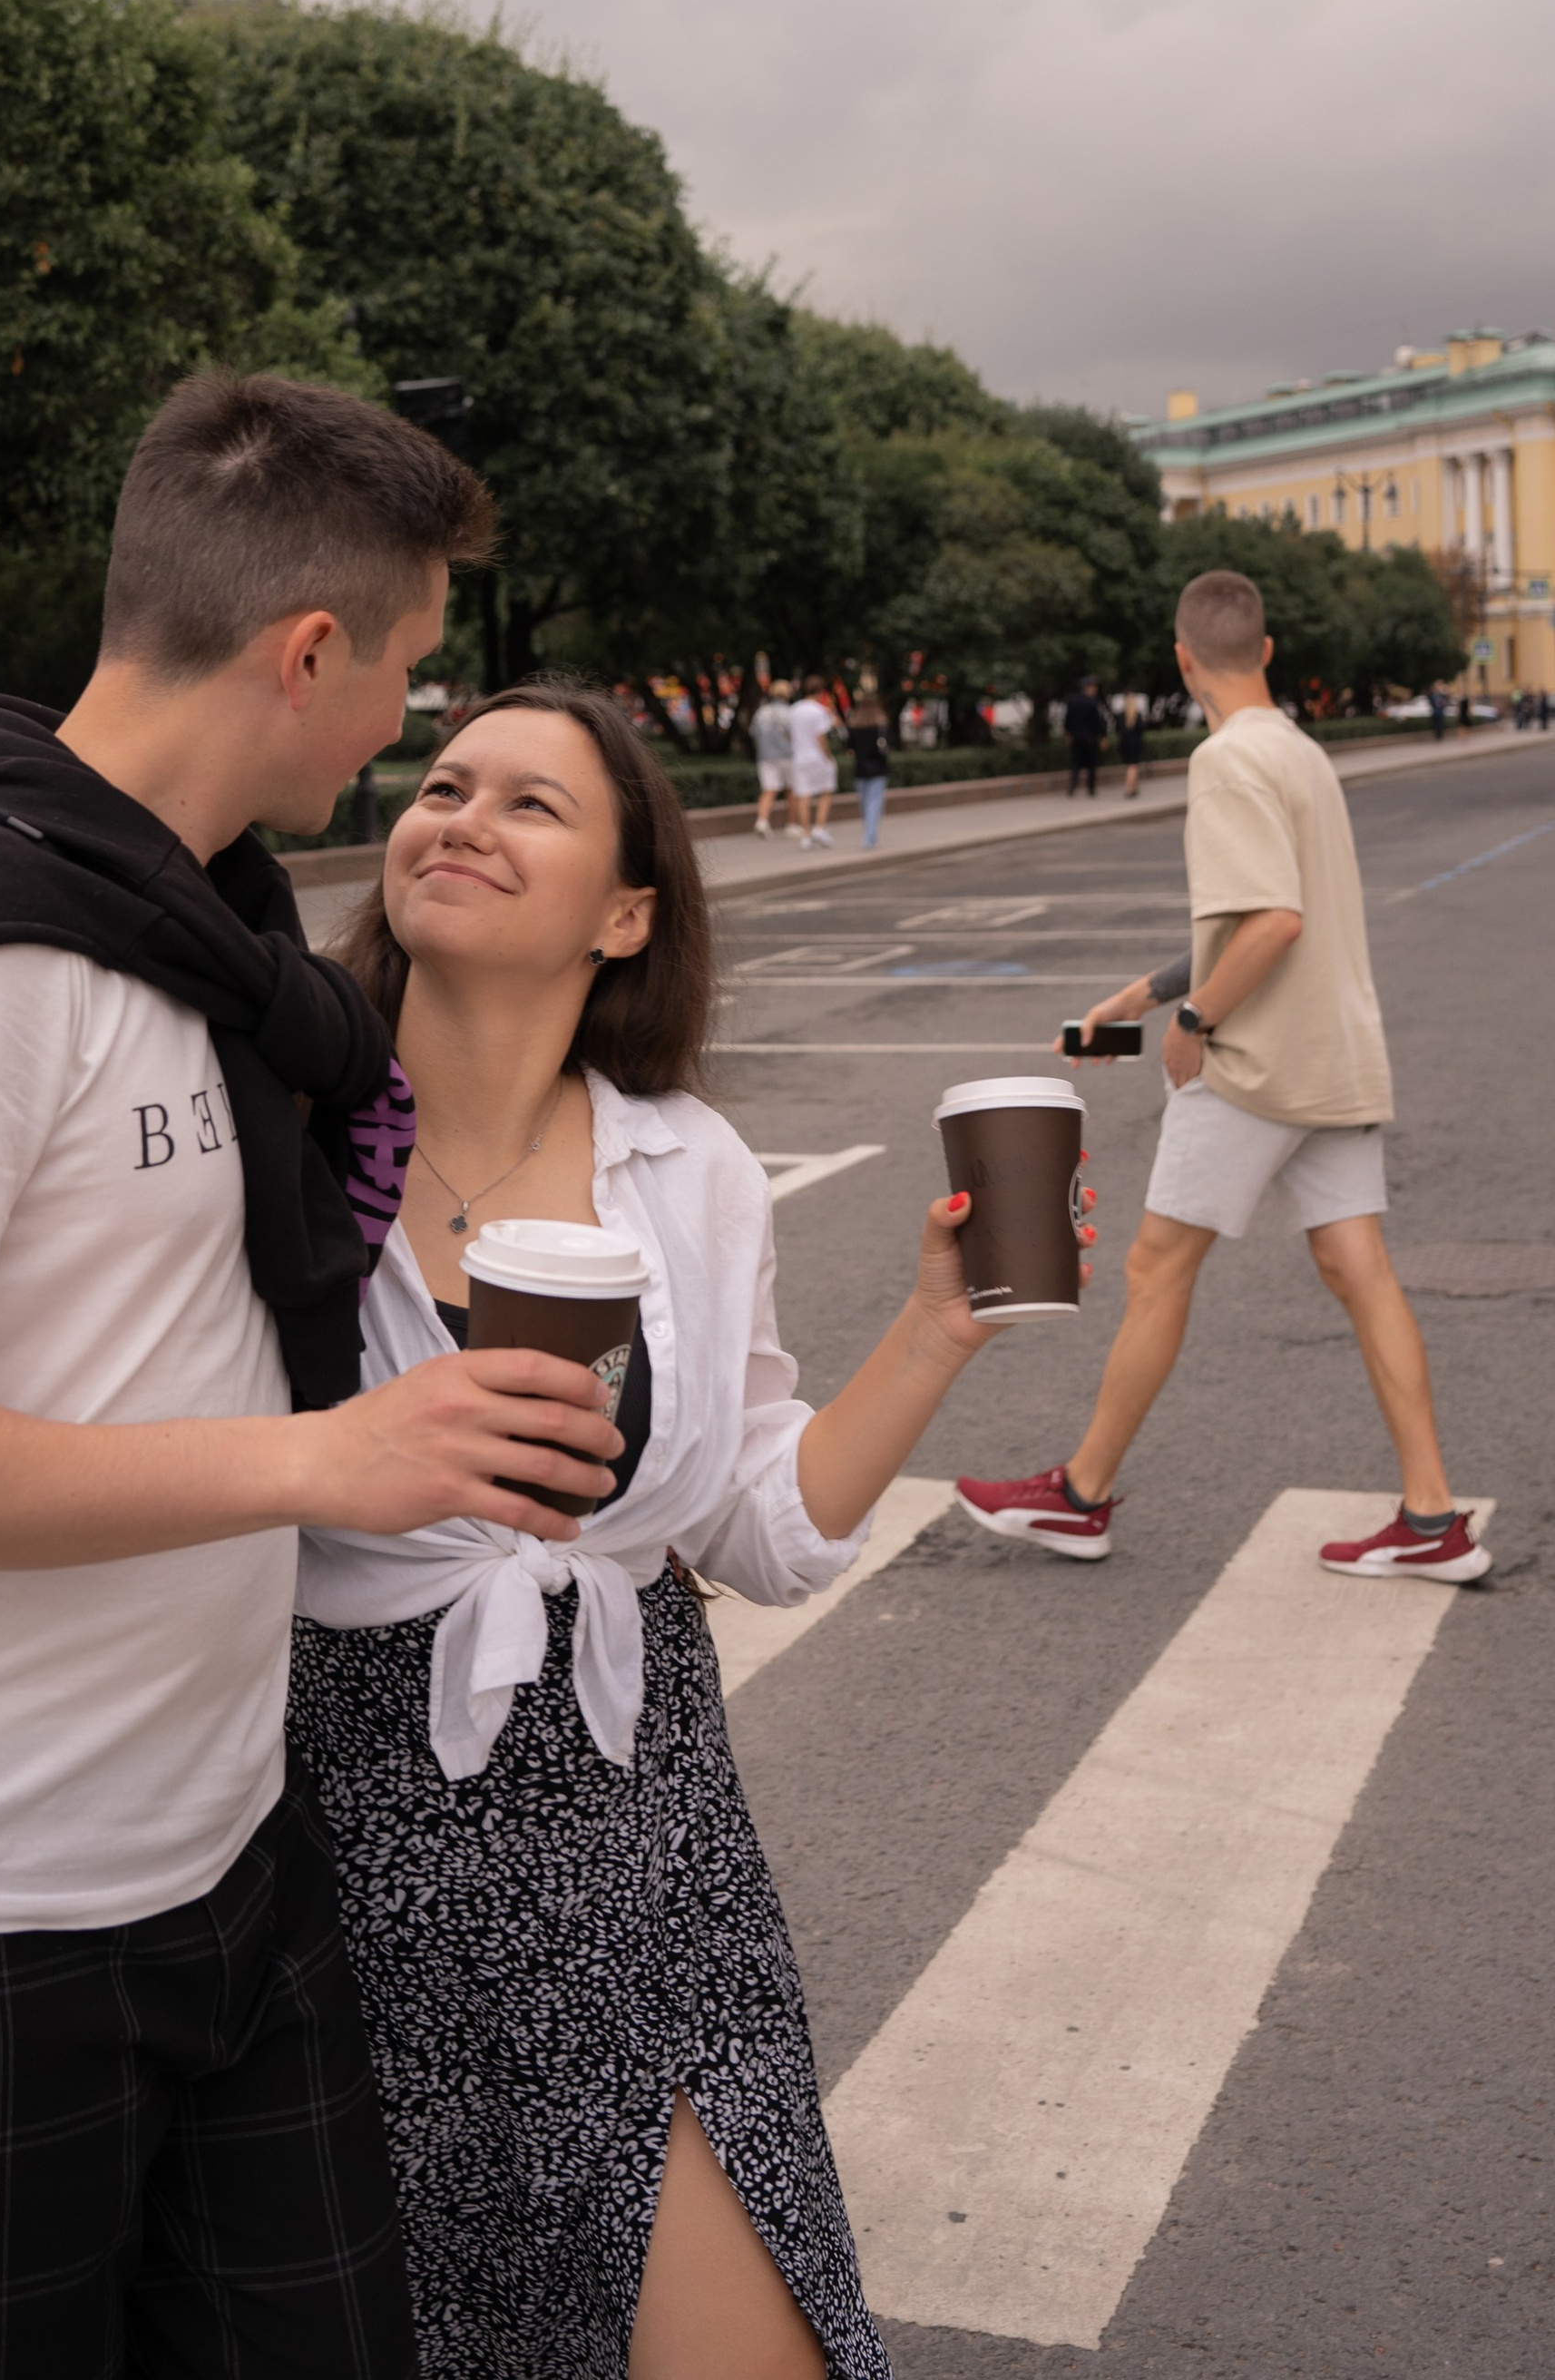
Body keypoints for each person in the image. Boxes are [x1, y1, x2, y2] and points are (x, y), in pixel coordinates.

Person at [0, 374, 637, 2380]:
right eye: (400, 670)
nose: (403, 725)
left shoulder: (205, 925)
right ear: (307, 651)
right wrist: (320, 1458)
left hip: (221, 1863)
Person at [291, 680, 1021, 2380]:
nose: (459, 815)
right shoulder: (284, 1143)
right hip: (335, 1829)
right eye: (443, 784)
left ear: (627, 913)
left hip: (638, 1837)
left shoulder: (686, 1164)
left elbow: (760, 1526)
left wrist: (933, 1330)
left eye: (530, 804)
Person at [954, 568, 1487, 1585]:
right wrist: (1144, 994)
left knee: (1157, 1268)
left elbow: (1271, 924)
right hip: (1333, 1058)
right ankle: (1429, 1518)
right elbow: (1263, 914)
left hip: (1258, 1068)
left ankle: (1078, 1497)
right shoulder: (1298, 751)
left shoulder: (1223, 761)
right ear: (1269, 653)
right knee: (1358, 1271)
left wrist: (1195, 1022)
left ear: (1182, 659)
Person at [788, 672, 839, 847]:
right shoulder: (819, 711)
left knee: (803, 796)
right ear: (820, 691)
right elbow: (821, 737)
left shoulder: (794, 710)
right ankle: (819, 827)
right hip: (817, 758)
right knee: (825, 792)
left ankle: (806, 836)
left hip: (799, 758)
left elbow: (790, 735)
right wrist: (828, 755)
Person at [846, 682, 891, 847]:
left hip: (860, 769)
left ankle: (869, 834)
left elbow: (849, 749)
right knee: (874, 802)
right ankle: (869, 836)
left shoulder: (854, 725)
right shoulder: (880, 726)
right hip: (878, 768)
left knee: (865, 803)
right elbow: (887, 747)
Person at [751, 680, 794, 839]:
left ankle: (762, 822)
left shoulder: (762, 712)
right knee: (792, 791)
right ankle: (791, 824)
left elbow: (753, 733)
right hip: (789, 756)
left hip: (765, 757)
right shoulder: (791, 712)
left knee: (769, 789)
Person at [1062, 675, 1107, 798]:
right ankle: (1091, 789)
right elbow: (1099, 721)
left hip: (1076, 737)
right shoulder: (1094, 702)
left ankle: (1073, 785)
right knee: (1091, 764)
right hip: (1090, 738)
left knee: (1076, 763)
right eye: (1093, 686)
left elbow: (1067, 719)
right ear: (1087, 688)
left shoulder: (1073, 701)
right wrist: (1103, 736)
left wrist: (1068, 733)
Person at [1116, 687, 1147, 802]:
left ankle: (1133, 788)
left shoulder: (1120, 716)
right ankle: (1129, 789)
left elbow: (1118, 730)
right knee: (1133, 766)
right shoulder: (1137, 715)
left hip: (1124, 743)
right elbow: (1141, 730)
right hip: (1134, 743)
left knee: (1129, 766)